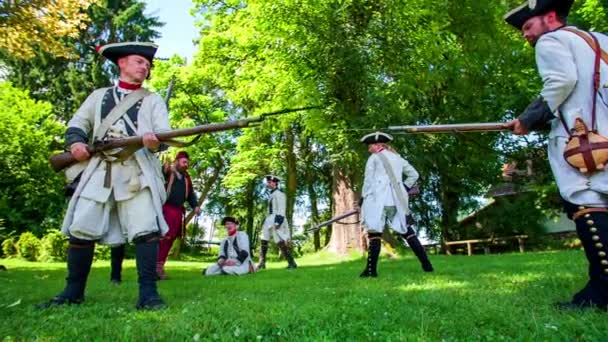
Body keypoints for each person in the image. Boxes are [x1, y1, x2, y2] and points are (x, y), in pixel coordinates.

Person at [37, 41, 170, 310]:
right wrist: (76, 145)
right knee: (82, 228)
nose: (145, 67)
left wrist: (155, 143)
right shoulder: (99, 96)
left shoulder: (153, 100)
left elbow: (163, 136)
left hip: (137, 170)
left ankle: (148, 294)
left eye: (147, 64)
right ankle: (73, 291)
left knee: (146, 230)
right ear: (122, 63)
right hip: (99, 170)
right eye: (139, 61)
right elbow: (77, 124)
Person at [504, 0, 608, 310]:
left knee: (586, 203)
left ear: (550, 17)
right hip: (604, 131)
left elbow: (562, 82)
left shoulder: (551, 40)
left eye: (527, 26)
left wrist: (528, 117)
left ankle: (602, 293)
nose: (526, 35)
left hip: (584, 142)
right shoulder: (600, 40)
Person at [359, 132, 433, 277]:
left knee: (374, 234)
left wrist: (362, 199)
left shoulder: (373, 158)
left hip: (377, 201)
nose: (368, 149)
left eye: (370, 146)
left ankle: (371, 271)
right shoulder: (398, 159)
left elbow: (368, 182)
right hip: (397, 201)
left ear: (378, 145)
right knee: (408, 232)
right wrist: (404, 188)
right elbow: (414, 175)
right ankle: (427, 265)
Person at [157, 151, 201, 279]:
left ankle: (159, 266)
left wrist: (195, 206)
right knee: (163, 237)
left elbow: (191, 194)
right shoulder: (168, 171)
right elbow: (158, 176)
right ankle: (154, 267)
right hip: (165, 209)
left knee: (170, 239)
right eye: (184, 162)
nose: (186, 164)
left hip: (177, 212)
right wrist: (163, 169)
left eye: (187, 162)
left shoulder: (186, 177)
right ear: (176, 161)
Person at [257, 175, 297, 270]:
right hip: (269, 219)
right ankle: (262, 262)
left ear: (275, 183)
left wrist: (278, 222)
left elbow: (281, 209)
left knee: (279, 241)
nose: (268, 184)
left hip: (276, 218)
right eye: (268, 182)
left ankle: (292, 262)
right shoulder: (271, 194)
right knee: (263, 239)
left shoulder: (279, 194)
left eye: (270, 182)